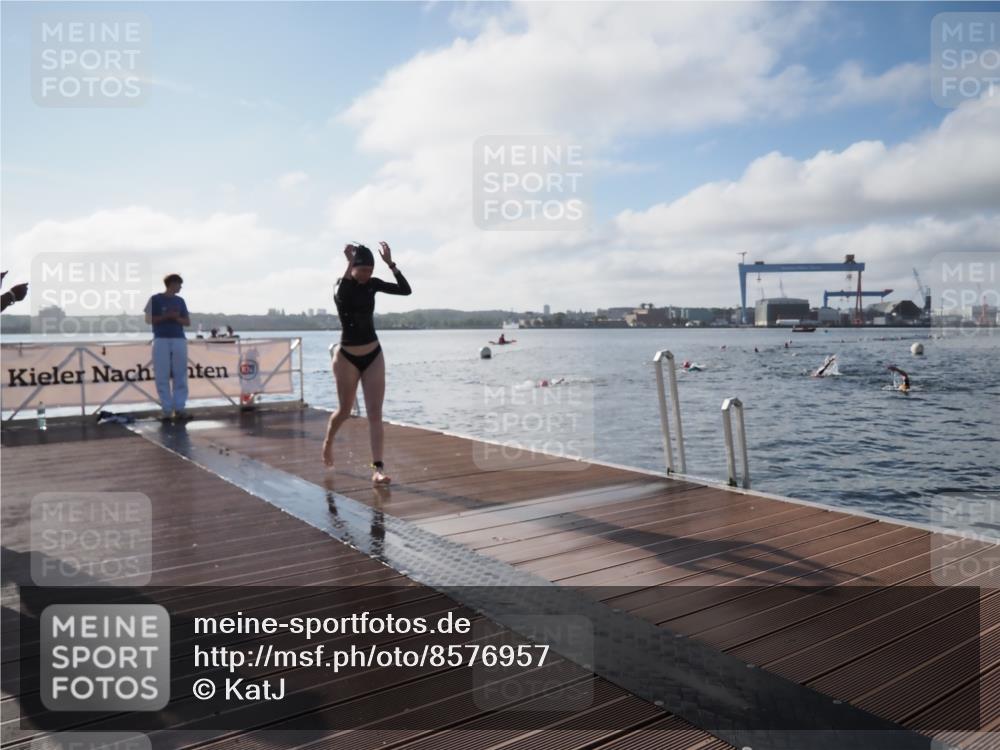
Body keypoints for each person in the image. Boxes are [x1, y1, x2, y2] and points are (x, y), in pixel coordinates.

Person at [322, 242, 411, 484]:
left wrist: (390, 264)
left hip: (373, 354)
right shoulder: (341, 287)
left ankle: (378, 468)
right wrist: (349, 262)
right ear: (352, 268)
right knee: (344, 411)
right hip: (347, 357)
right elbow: (343, 295)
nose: (366, 275)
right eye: (362, 270)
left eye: (370, 271)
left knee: (374, 413)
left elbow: (405, 291)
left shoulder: (372, 284)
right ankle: (328, 442)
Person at [144, 274, 191, 420]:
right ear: (171, 284)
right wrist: (166, 316)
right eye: (179, 284)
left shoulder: (180, 301)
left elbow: (187, 322)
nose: (180, 287)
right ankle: (166, 409)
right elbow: (148, 320)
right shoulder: (155, 299)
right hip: (161, 339)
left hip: (178, 339)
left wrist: (176, 318)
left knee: (180, 374)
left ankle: (179, 408)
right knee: (162, 374)